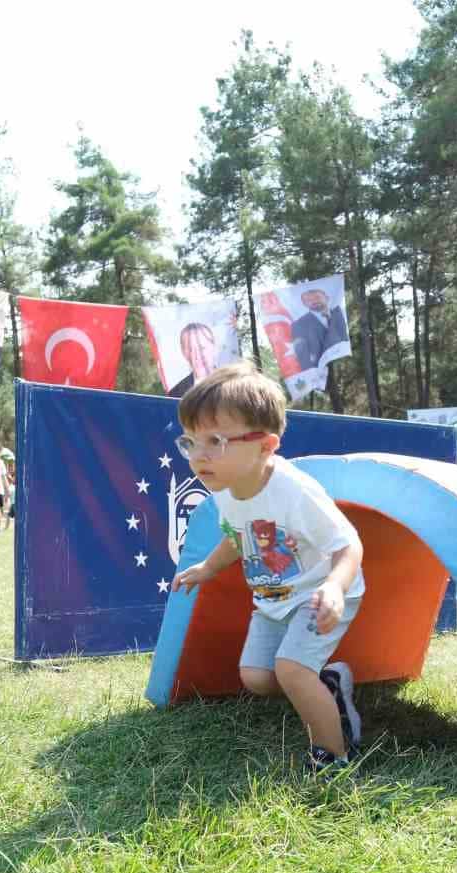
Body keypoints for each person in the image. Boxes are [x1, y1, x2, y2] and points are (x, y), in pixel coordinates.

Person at [170, 363, 364, 774]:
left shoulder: (293, 491)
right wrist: (207, 567)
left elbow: (348, 545)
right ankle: (327, 684)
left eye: (216, 441)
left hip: (318, 593)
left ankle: (333, 756)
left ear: (265, 445)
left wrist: (333, 586)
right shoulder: (224, 488)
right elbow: (239, 536)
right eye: (191, 441)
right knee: (257, 678)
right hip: (274, 599)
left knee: (291, 669)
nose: (199, 455)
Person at [290, 288, 350, 371]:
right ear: (304, 304)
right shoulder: (298, 325)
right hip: (321, 371)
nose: (314, 301)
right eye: (309, 300)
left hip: (346, 365)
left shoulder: (340, 314)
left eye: (317, 297)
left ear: (327, 297)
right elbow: (303, 356)